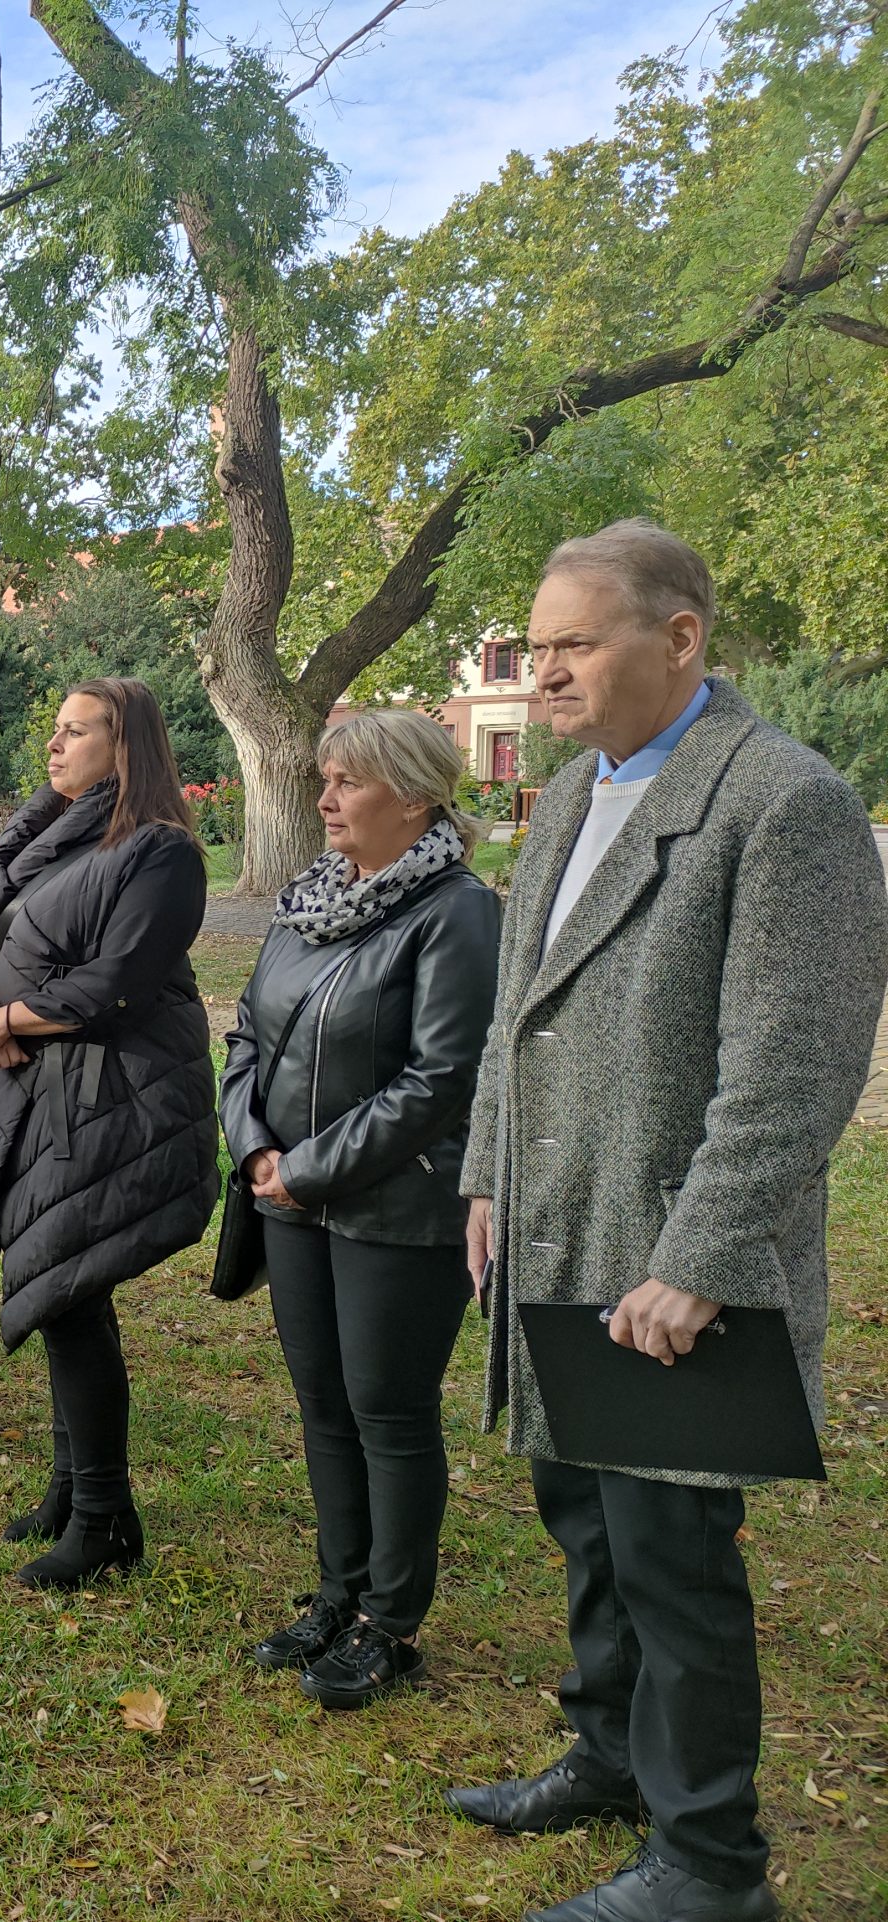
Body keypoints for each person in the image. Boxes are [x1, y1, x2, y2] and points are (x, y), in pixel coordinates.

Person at [448, 522, 888, 1922]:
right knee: (584, 1517)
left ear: (680, 636)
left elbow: (793, 1068)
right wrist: (484, 1173)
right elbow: (516, 1016)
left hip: (666, 1258)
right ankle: (609, 1755)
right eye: (536, 646)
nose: (543, 672)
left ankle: (709, 1862)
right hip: (554, 1226)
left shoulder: (784, 801)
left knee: (672, 1554)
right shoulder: (572, 798)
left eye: (575, 643)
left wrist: (700, 1259)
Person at [220, 708, 500, 1706]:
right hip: (291, 1199)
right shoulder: (308, 900)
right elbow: (246, 1035)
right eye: (325, 779)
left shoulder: (456, 911)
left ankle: (391, 1621)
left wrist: (309, 1167)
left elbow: (440, 1080)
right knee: (324, 1405)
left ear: (415, 797)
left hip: (397, 1210)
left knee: (388, 1410)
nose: (326, 798)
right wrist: (256, 1146)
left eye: (348, 781)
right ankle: (339, 1593)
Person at [0, 677, 218, 1587]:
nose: (54, 745)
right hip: (35, 1090)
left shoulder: (161, 851)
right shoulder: (44, 839)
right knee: (64, 1291)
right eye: (55, 730)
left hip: (108, 1098)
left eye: (76, 731)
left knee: (69, 1293)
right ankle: (73, 1492)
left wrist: (6, 1020)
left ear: (125, 745)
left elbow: (119, 980)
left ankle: (106, 1520)